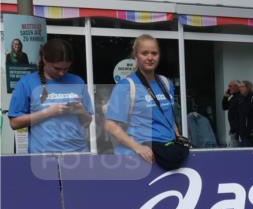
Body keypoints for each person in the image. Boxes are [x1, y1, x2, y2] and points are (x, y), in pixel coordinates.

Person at [7, 38, 93, 153]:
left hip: (79, 153)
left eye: (66, 68)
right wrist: (49, 112)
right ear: (44, 59)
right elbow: (15, 123)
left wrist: (81, 110)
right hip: (43, 156)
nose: (62, 73)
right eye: (57, 68)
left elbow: (87, 123)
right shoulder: (27, 83)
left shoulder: (77, 81)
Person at [104, 34, 180, 163]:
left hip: (165, 153)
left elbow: (169, 118)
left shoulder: (166, 83)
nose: (150, 58)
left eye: (154, 53)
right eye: (144, 53)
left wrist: (178, 139)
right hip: (137, 157)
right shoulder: (126, 86)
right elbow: (110, 125)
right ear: (136, 55)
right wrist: (137, 147)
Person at [235, 80, 253, 147]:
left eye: (242, 86)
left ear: (248, 87)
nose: (240, 88)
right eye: (240, 87)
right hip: (241, 133)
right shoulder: (240, 99)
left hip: (250, 133)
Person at [221, 79, 242, 147]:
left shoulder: (240, 97)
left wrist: (236, 129)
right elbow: (224, 107)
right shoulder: (233, 97)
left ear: (236, 87)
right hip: (233, 128)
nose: (228, 88)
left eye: (230, 86)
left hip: (238, 130)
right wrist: (225, 97)